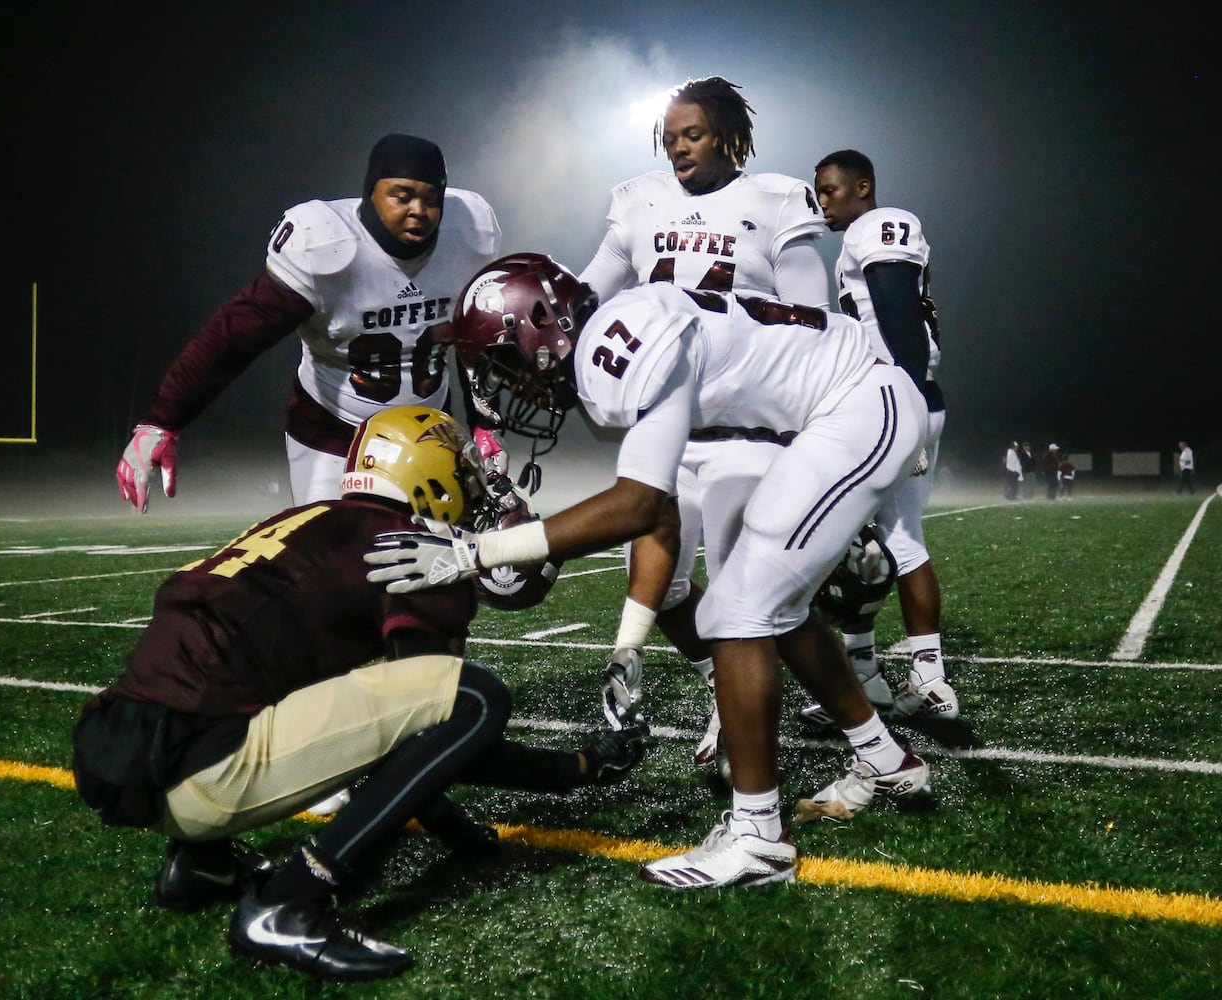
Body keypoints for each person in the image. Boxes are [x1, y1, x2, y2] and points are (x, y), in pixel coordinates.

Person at [366, 254, 931, 889]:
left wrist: (475, 553)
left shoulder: (619, 349)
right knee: (771, 605)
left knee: (739, 611)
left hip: (860, 405)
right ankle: (887, 760)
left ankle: (759, 839)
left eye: (506, 362)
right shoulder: (629, 337)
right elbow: (657, 514)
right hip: (844, 405)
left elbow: (634, 504)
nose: (513, 384)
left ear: (541, 323)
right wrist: (627, 645)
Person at [73, 404, 646, 982]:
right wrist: (577, 767)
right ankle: (290, 902)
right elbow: (434, 730)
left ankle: (202, 866)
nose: (472, 486)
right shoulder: (408, 550)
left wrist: (451, 824)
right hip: (199, 775)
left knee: (262, 676)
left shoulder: (309, 518)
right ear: (429, 473)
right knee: (475, 699)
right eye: (465, 471)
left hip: (117, 751)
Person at [576, 75, 828, 761]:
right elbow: (586, 292)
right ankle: (725, 686)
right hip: (661, 424)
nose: (678, 149)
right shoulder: (637, 200)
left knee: (739, 598)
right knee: (664, 587)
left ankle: (789, 752)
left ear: (725, 132)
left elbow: (814, 317)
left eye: (691, 135)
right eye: (670, 139)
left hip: (744, 426)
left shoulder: (775, 199)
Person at [116, 133, 505, 515]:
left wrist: (483, 424)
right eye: (401, 195)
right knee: (333, 557)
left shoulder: (469, 235)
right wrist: (161, 421)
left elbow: (478, 342)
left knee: (442, 559)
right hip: (334, 430)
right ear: (370, 192)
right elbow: (233, 338)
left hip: (429, 427)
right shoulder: (325, 246)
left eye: (430, 199)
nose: (418, 210)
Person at [796, 149, 956, 724]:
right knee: (878, 541)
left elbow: (898, 316)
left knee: (852, 542)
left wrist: (904, 408)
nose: (822, 202)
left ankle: (911, 678)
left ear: (862, 187)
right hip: (905, 398)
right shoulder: (860, 235)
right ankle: (879, 676)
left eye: (830, 190)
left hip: (892, 400)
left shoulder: (876, 226)